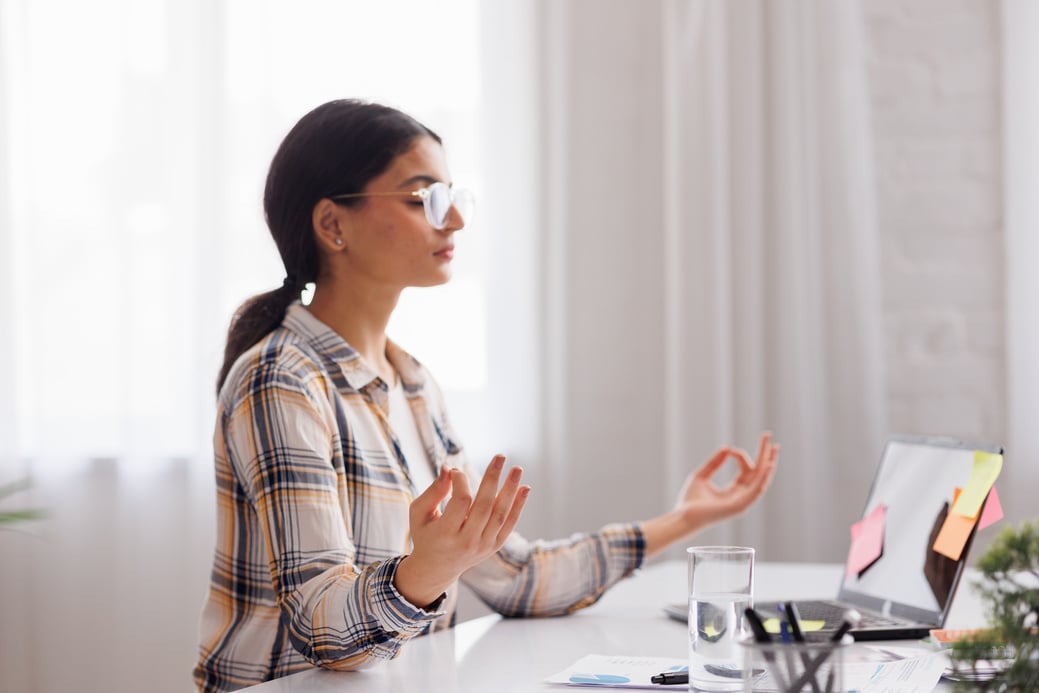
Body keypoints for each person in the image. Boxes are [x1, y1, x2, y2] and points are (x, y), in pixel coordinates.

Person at [193, 98, 779, 693]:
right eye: (424, 198)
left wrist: (683, 519)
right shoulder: (280, 380)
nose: (455, 222)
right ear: (332, 224)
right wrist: (424, 571)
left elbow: (516, 579)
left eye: (453, 197)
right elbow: (323, 630)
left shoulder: (414, 384)